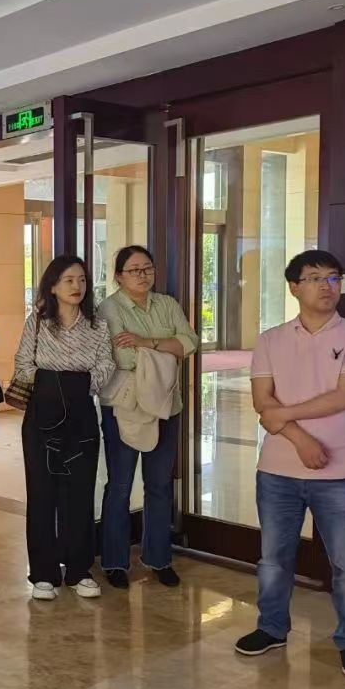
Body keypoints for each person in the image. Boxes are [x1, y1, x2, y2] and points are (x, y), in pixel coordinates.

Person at [237, 250, 345, 682]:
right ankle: (272, 628)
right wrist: (302, 439)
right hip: (277, 471)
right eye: (314, 278)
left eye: (333, 278)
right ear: (294, 287)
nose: (326, 286)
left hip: (342, 471)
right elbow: (262, 401)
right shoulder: (271, 340)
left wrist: (284, 417)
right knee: (273, 559)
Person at [97, 245, 198, 589]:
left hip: (166, 404)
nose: (142, 275)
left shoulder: (167, 304)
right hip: (125, 404)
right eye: (134, 270)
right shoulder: (109, 309)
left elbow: (189, 342)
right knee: (120, 485)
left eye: (148, 268)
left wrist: (147, 342)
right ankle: (115, 562)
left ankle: (158, 558)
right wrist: (167, 348)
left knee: (159, 484)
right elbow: (123, 357)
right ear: (119, 276)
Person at [16, 255, 115, 601]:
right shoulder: (37, 322)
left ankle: (78, 570)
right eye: (69, 280)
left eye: (82, 280)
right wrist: (59, 382)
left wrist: (73, 384)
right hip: (42, 416)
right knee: (42, 494)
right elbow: (23, 365)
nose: (77, 286)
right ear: (53, 286)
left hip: (81, 415)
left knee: (80, 493)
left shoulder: (97, 325)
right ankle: (43, 574)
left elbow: (106, 366)